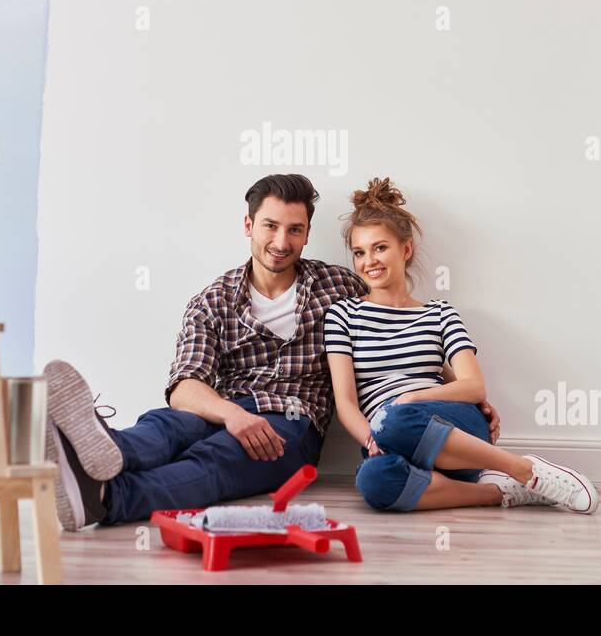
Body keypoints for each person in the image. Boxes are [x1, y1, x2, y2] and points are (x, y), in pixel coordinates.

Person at [42, 173, 506, 529]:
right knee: (165, 426)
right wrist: (231, 414)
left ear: (307, 234)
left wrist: (459, 393)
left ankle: (104, 499)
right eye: (270, 225)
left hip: (293, 424)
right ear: (249, 224)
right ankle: (98, 447)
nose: (281, 242)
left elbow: (395, 326)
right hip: (223, 408)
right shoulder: (213, 300)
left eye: (295, 230)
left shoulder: (340, 287)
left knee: (214, 463)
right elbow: (184, 387)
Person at [325, 177, 599, 514]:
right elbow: (347, 403)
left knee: (395, 419)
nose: (370, 261)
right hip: (385, 436)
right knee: (373, 480)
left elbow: (473, 386)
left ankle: (524, 469)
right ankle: (502, 492)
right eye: (359, 252)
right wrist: (372, 439)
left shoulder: (440, 313)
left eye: (380, 247)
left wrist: (413, 398)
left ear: (405, 249)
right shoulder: (343, 314)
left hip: (452, 424)